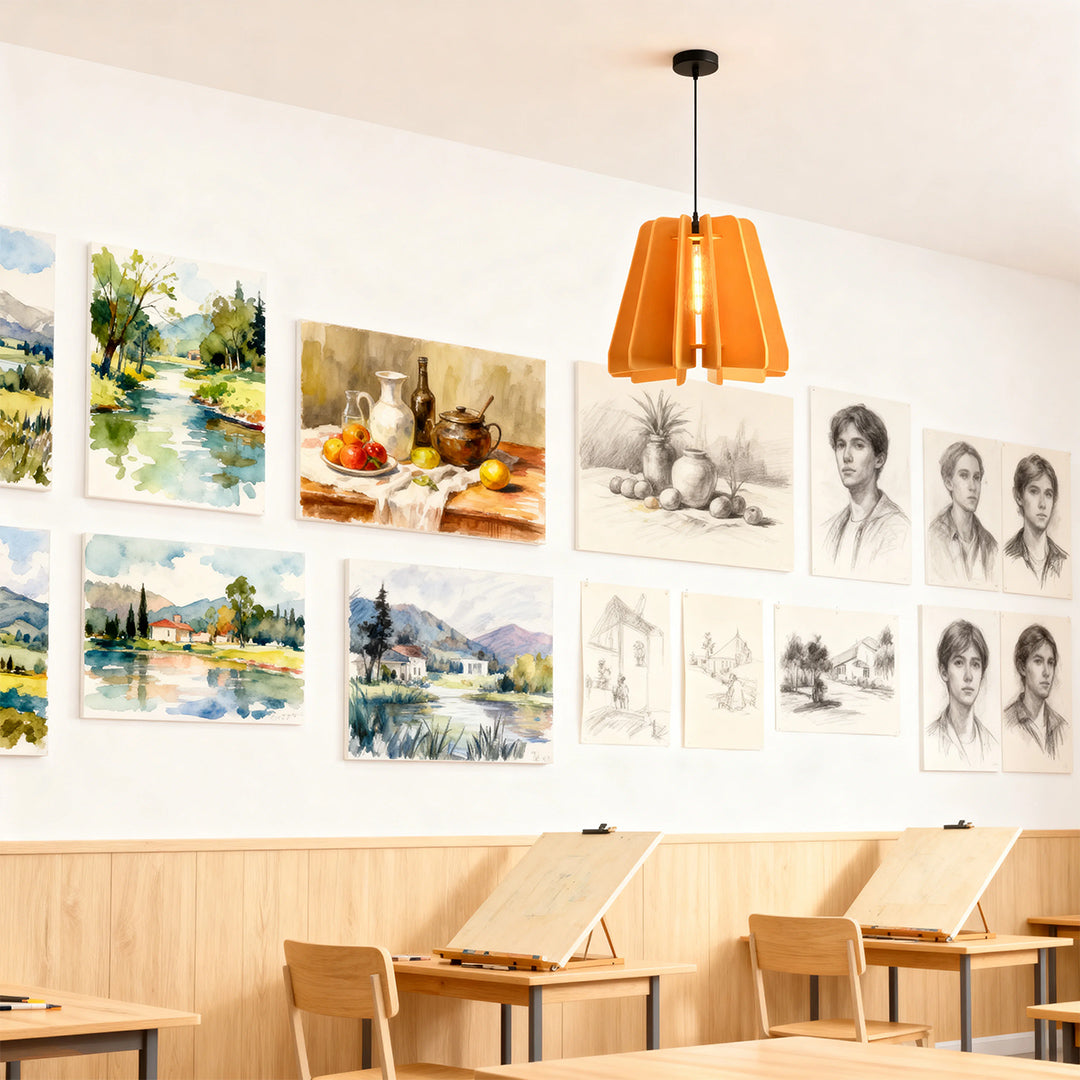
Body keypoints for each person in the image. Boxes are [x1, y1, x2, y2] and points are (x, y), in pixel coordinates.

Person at [822, 404, 909, 572]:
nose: (846, 456)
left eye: (858, 445)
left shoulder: (897, 529)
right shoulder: (831, 529)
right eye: (841, 445)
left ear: (879, 459)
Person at [926, 441, 998, 586]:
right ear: (948, 482)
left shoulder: (990, 544)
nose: (972, 487)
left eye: (976, 478)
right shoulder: (933, 536)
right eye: (964, 476)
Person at [925, 620, 996, 765]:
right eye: (959, 663)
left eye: (975, 664)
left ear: (982, 674)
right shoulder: (929, 738)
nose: (968, 676)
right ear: (944, 671)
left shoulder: (992, 745)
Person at [1003, 454, 1068, 587]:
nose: (1042, 504)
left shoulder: (1063, 560)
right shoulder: (1006, 555)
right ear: (1019, 496)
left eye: (1048, 494)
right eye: (1034, 491)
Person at [1003, 624, 1067, 758]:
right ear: (1022, 667)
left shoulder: (1062, 726)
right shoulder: (1007, 722)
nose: (1046, 672)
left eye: (1050, 663)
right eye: (1038, 661)